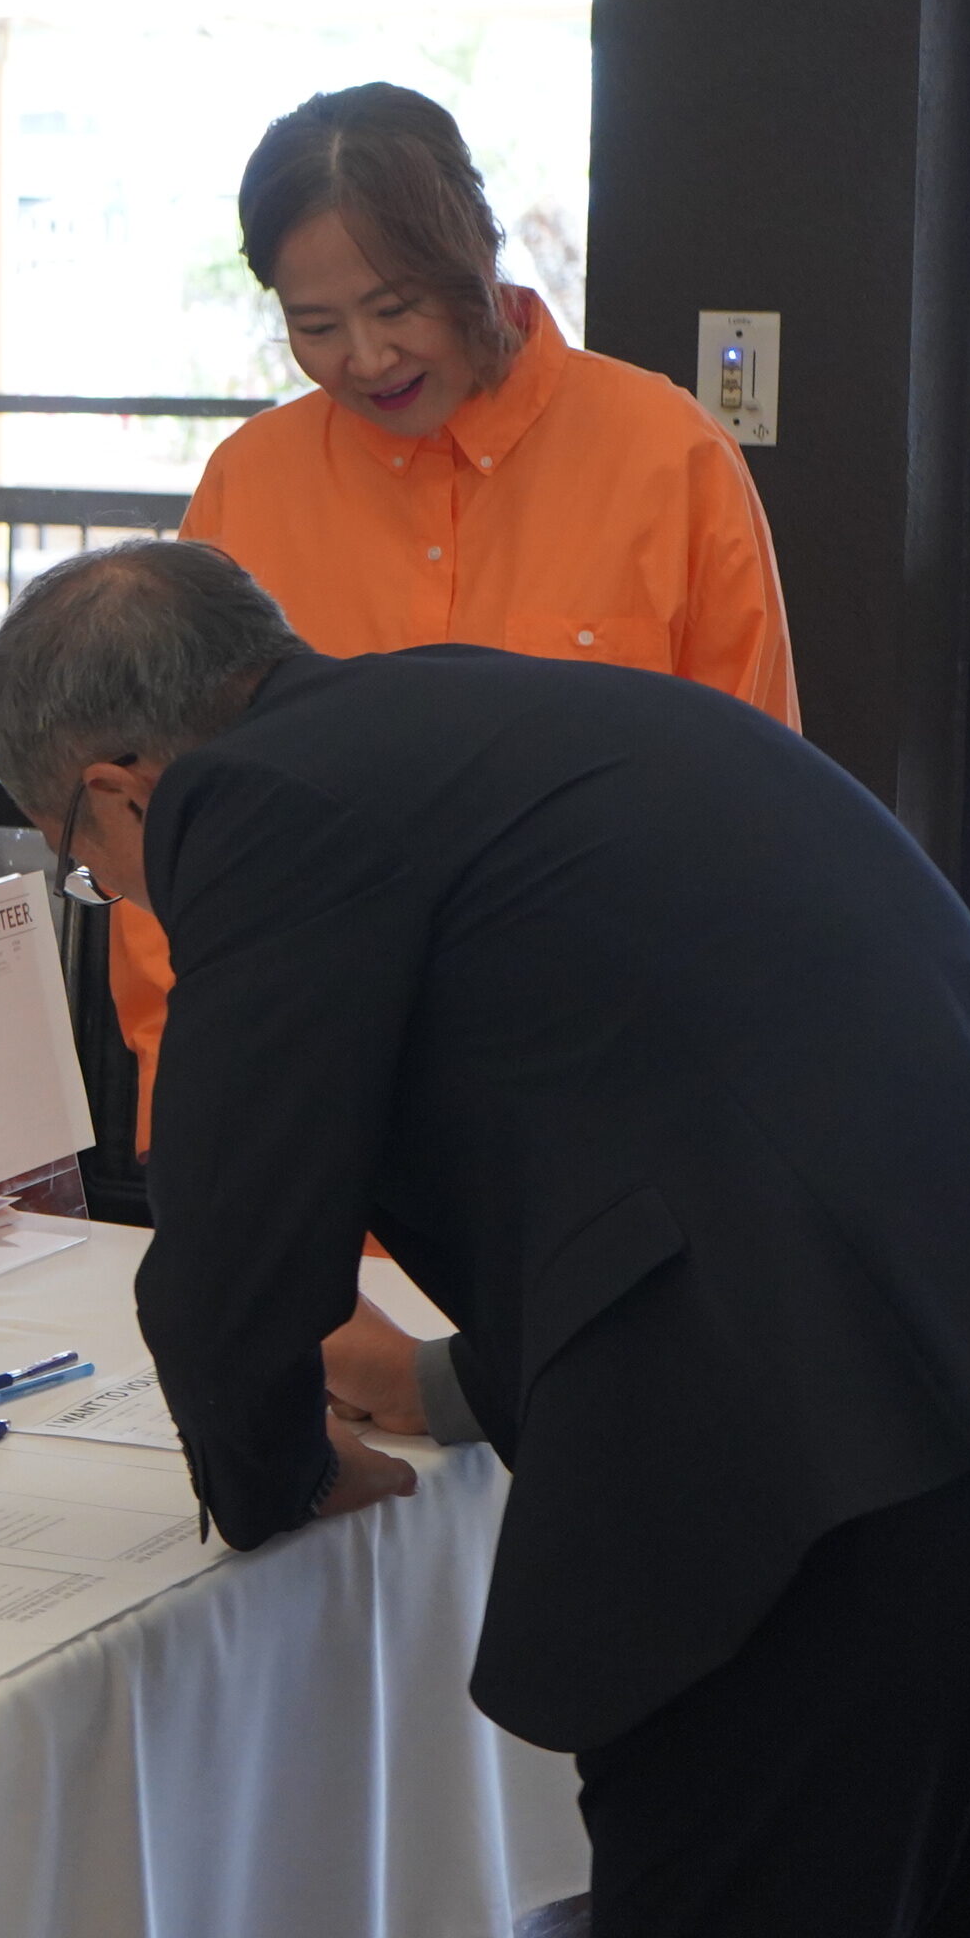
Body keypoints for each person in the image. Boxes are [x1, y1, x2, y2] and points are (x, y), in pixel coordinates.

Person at [0, 538, 970, 1938]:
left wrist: (272, 1472)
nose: (116, 890)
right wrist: (446, 1381)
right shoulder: (522, 722)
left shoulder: (252, 802)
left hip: (845, 1490)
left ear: (118, 783)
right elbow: (728, 1138)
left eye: (80, 862)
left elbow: (230, 1254)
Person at [111, 83, 800, 1143]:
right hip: (314, 1114)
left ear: (475, 249)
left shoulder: (667, 459)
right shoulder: (248, 488)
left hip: (607, 1110)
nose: (366, 358)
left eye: (396, 309)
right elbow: (168, 838)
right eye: (315, 325)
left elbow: (758, 822)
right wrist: (196, 1108)